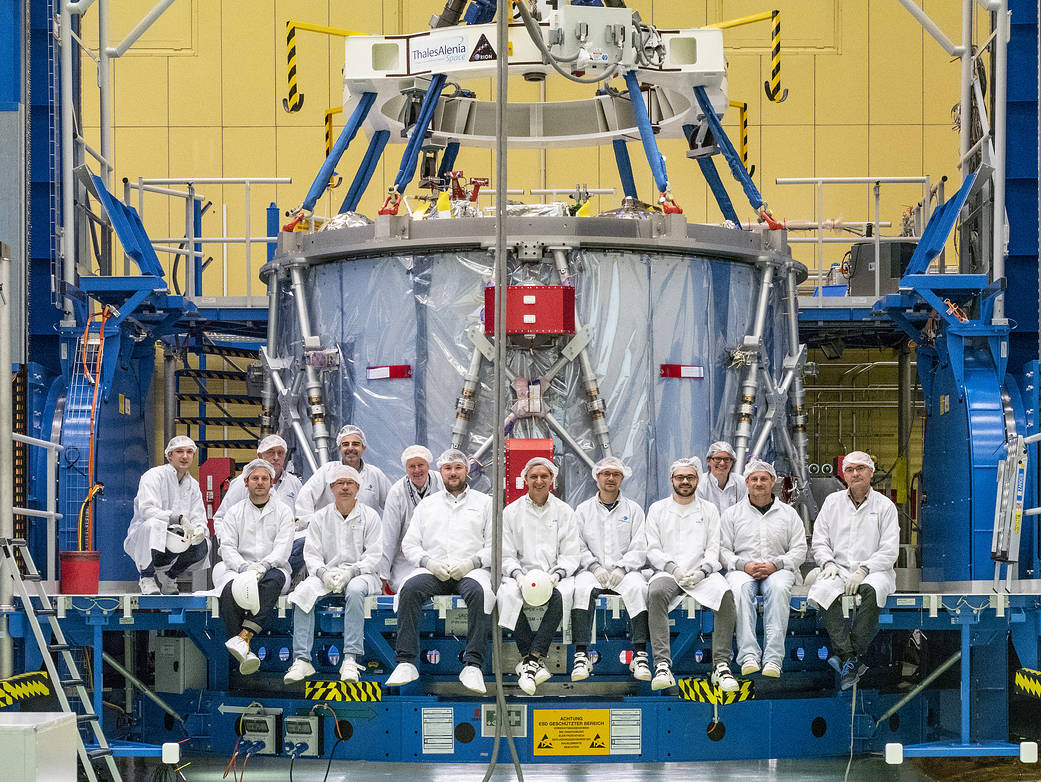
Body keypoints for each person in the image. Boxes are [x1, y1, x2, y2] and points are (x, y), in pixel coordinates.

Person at [385, 449, 494, 694]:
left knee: (478, 594)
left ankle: (473, 664)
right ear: (441, 472)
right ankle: (406, 661)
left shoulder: (485, 503)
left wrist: (472, 563)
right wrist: (428, 563)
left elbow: (495, 546)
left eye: (458, 467)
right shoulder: (428, 505)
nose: (453, 473)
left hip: (470, 571)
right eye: (448, 468)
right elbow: (410, 544)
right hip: (435, 569)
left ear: (467, 471)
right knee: (410, 589)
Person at [645, 458, 738, 692]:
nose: (685, 481)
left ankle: (721, 665)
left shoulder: (708, 509)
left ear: (697, 480)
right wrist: (673, 569)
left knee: (726, 596)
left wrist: (702, 571)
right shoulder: (657, 509)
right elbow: (653, 549)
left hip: (702, 573)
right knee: (655, 593)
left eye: (690, 477)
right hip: (668, 572)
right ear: (671, 480)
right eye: (680, 477)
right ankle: (662, 665)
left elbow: (713, 548)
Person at [808, 450, 898, 690]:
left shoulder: (885, 506)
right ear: (843, 475)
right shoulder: (832, 502)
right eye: (850, 470)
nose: (855, 473)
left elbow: (889, 549)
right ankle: (851, 658)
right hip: (838, 568)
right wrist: (827, 563)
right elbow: (820, 541)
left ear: (870, 472)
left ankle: (848, 656)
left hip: (874, 570)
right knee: (825, 591)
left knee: (872, 591)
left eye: (860, 468)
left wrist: (865, 570)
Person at [284, 464, 382, 684]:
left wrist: (352, 572)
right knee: (302, 592)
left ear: (358, 487)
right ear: (331, 488)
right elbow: (312, 554)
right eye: (340, 483)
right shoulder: (320, 517)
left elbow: (374, 555)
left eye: (350, 483)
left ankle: (350, 659)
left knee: (355, 591)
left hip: (361, 574)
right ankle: (302, 660)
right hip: (327, 573)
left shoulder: (370, 516)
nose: (345, 487)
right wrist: (323, 573)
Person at [498, 457, 580, 695]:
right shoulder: (511, 512)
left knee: (562, 596)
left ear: (552, 480)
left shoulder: (564, 512)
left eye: (544, 476)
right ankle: (533, 660)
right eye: (533, 476)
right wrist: (518, 575)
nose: (539, 481)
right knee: (506, 595)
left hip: (554, 575)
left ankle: (530, 660)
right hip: (520, 575)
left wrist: (556, 575)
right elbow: (505, 552)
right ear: (525, 480)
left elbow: (571, 553)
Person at [720, 459, 807, 678]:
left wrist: (775, 564)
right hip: (742, 570)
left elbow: (799, 550)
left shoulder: (788, 514)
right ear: (747, 482)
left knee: (778, 590)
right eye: (754, 479)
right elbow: (722, 549)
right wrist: (743, 565)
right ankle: (748, 656)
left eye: (764, 479)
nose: (759, 483)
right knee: (739, 591)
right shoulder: (732, 515)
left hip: (779, 570)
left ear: (773, 482)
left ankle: (773, 659)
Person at [571, 456, 650, 682]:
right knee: (581, 589)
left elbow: (640, 544)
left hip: (624, 571)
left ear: (622, 478)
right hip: (592, 570)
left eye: (615, 474)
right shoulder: (583, 510)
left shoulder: (634, 510)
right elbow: (576, 543)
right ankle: (581, 654)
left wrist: (622, 568)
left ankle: (640, 654)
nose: (610, 478)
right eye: (606, 474)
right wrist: (594, 567)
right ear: (597, 477)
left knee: (638, 588)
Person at [213, 459, 295, 674]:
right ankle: (243, 649)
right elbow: (228, 546)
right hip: (240, 569)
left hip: (272, 570)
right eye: (255, 478)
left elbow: (283, 548)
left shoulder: (284, 511)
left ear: (272, 482)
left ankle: (243, 638)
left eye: (264, 479)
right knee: (229, 591)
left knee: (273, 581)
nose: (260, 482)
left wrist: (264, 566)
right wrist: (244, 568)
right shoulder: (234, 512)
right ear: (246, 482)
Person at [124, 435, 210, 595]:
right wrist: (177, 518)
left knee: (203, 544)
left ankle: (170, 578)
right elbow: (147, 510)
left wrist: (199, 529)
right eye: (179, 451)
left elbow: (199, 516)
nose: (185, 456)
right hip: (147, 539)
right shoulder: (153, 476)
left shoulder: (193, 485)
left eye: (189, 452)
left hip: (175, 542)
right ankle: (147, 577)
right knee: (154, 524)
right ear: (169, 455)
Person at [380, 445, 444, 593]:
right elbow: (389, 537)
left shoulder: (442, 483)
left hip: (439, 553)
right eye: (411, 466)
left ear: (428, 465)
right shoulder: (396, 492)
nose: (417, 470)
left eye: (420, 465)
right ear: (406, 469)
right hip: (407, 558)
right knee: (408, 587)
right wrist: (382, 575)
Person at [212, 434, 302, 540]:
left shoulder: (294, 483)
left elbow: (302, 517)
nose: (276, 457)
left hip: (287, 547)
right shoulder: (243, 482)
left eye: (280, 453)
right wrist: (225, 543)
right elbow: (222, 518)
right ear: (260, 456)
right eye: (271, 452)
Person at [295, 425, 392, 523]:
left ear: (363, 448)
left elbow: (392, 504)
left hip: (365, 534)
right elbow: (306, 496)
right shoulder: (327, 471)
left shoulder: (375, 474)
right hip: (330, 533)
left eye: (355, 444)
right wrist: (310, 523)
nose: (350, 448)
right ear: (339, 448)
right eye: (345, 444)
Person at [696, 441, 747, 515]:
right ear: (709, 461)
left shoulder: (741, 482)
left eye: (727, 459)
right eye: (717, 458)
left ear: (732, 462)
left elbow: (744, 512)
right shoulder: (700, 483)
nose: (722, 463)